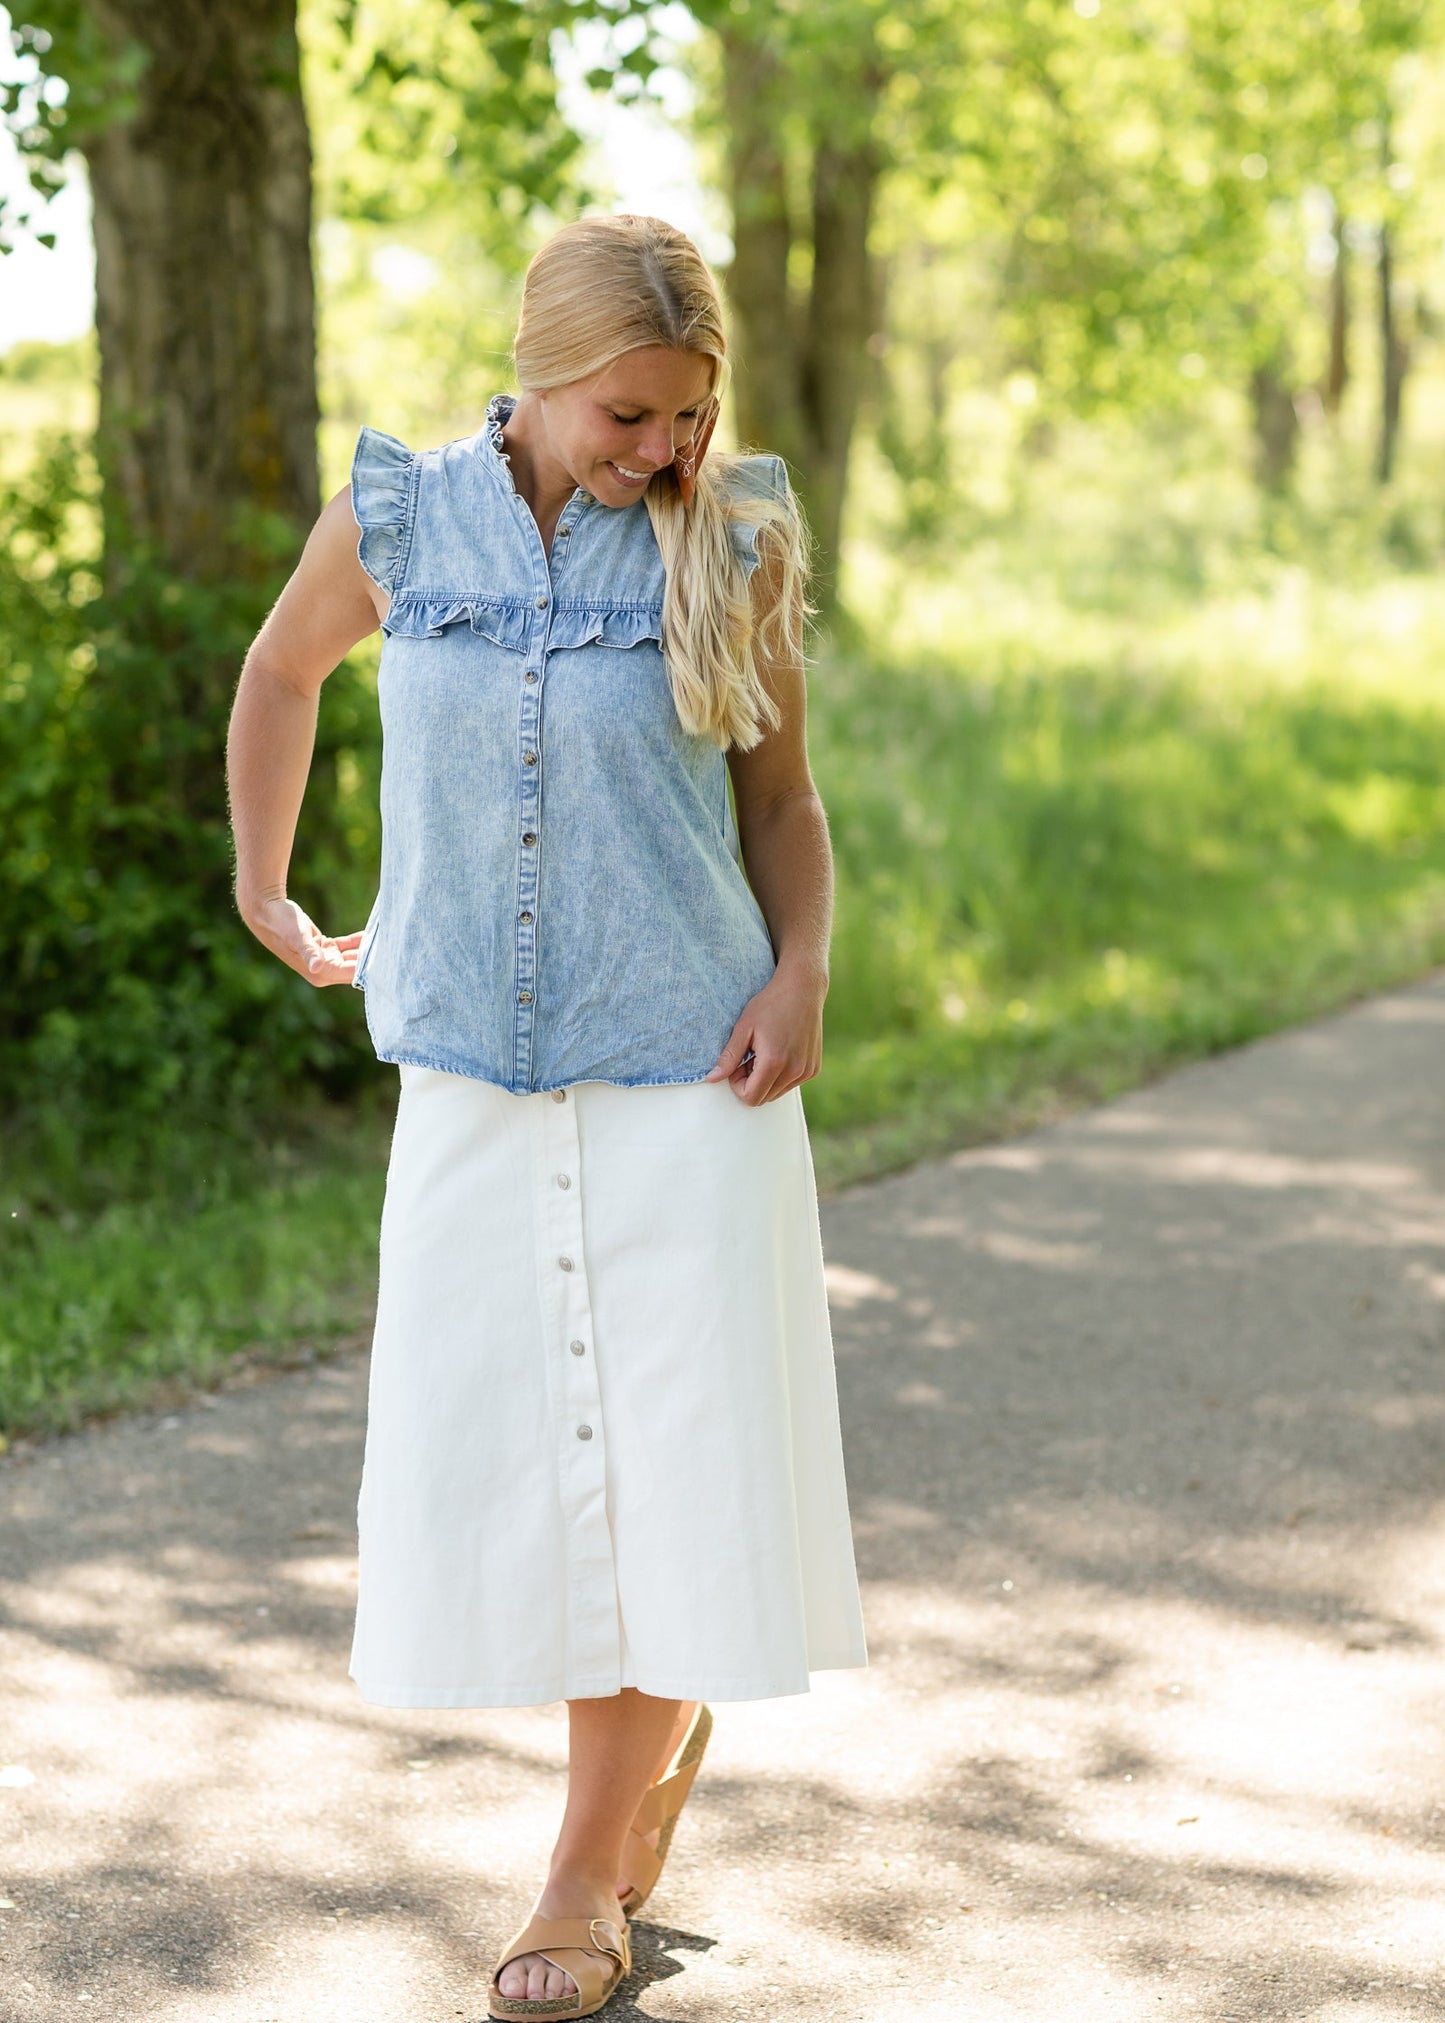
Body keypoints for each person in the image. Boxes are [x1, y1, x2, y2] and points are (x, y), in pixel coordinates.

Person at [226, 212, 868, 2020]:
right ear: (537, 373)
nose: (659, 450)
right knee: (528, 1467)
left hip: (688, 1073)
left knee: (661, 1472)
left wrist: (801, 968)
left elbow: (783, 808)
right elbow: (283, 671)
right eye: (626, 417)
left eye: (684, 414)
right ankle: (640, 1771)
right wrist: (267, 886)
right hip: (471, 1080)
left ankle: (582, 1873)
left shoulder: (727, 537)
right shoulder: (402, 519)